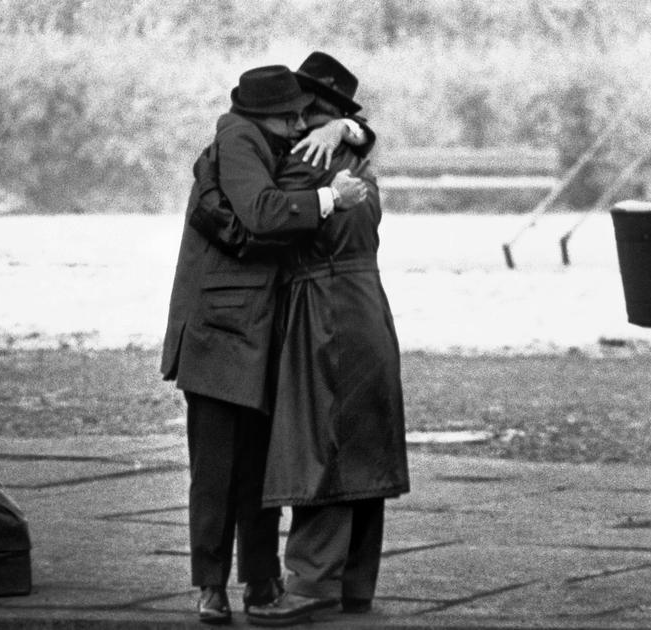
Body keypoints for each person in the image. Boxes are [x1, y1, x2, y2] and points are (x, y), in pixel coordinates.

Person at [190, 52, 410, 627]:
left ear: (314, 112)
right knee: (363, 443)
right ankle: (353, 584)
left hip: (325, 309)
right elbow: (360, 143)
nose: (293, 120)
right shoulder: (358, 157)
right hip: (368, 307)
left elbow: (262, 217)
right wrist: (352, 131)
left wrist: (209, 193)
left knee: (323, 443)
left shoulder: (309, 160)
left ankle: (311, 582)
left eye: (302, 108)